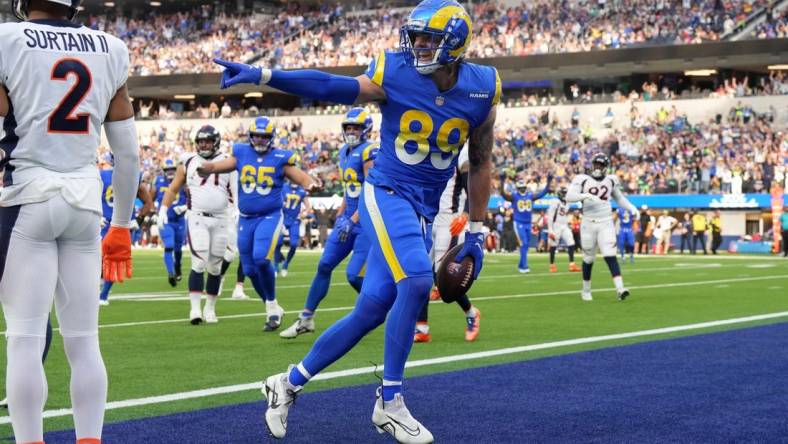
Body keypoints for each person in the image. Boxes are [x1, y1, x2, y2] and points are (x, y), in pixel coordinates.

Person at [214, 0, 497, 440]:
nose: (418, 45)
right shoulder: (395, 71)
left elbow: (480, 162)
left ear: (456, 43)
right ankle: (391, 401)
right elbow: (331, 85)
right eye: (416, 36)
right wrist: (266, 76)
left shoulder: (483, 87)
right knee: (419, 281)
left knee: (371, 309)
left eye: (429, 38)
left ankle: (286, 384)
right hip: (386, 190)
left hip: (423, 205)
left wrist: (476, 230)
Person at [0, 0, 139, 441]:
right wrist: (120, 225)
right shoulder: (111, 48)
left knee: (23, 339)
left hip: (26, 197)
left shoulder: (6, 39)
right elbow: (129, 155)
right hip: (85, 204)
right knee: (84, 342)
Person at [196, 116, 319, 332]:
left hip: (269, 215)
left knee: (262, 258)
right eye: (257, 136)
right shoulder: (242, 152)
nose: (260, 140)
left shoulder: (280, 157)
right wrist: (210, 167)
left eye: (264, 136)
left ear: (271, 137)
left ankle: (271, 306)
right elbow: (227, 164)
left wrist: (310, 184)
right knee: (250, 270)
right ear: (250, 136)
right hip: (245, 217)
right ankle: (271, 307)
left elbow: (299, 177)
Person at [280, 107, 377, 339]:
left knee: (355, 275)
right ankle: (306, 318)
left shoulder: (370, 151)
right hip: (348, 220)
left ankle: (387, 310)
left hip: (367, 222)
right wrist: (342, 215)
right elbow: (349, 189)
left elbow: (371, 188)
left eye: (356, 127)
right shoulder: (344, 151)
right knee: (324, 265)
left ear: (366, 130)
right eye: (349, 127)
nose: (352, 131)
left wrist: (354, 219)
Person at [159, 125, 236, 325]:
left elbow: (235, 192)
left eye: (207, 141)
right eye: (200, 141)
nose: (203, 145)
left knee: (215, 266)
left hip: (221, 218)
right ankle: (195, 309)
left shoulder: (227, 161)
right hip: (197, 217)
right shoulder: (188, 160)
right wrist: (163, 209)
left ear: (215, 142)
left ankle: (210, 308)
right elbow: (173, 187)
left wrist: (237, 213)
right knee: (199, 261)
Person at [414, 145, 481, 343]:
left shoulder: (462, 151)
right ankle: (421, 327)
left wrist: (467, 213)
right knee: (421, 272)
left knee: (442, 276)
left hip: (451, 221)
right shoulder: (429, 146)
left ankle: (471, 313)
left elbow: (473, 186)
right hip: (430, 219)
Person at [566, 153, 638, 302]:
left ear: (605, 167)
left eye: (601, 165)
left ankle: (620, 289)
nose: (598, 168)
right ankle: (586, 290)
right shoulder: (582, 179)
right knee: (588, 258)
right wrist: (584, 196)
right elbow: (569, 196)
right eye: (596, 164)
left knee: (610, 253)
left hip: (606, 221)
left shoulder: (611, 180)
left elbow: (619, 198)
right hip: (588, 221)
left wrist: (631, 208)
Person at [98, 158, 151, 305]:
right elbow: (91, 195)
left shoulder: (134, 175)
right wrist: (97, 215)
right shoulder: (102, 175)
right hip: (105, 222)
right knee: (97, 257)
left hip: (122, 224)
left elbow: (148, 201)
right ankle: (99, 284)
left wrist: (138, 220)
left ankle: (103, 295)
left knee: (116, 258)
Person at [500, 175, 552, 273]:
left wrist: (549, 182)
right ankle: (524, 266)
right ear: (518, 188)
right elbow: (503, 194)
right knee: (523, 243)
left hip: (528, 223)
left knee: (526, 245)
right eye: (521, 188)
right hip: (518, 223)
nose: (523, 189)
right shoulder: (514, 196)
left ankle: (521, 265)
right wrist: (502, 181)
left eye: (524, 187)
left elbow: (543, 193)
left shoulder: (530, 196)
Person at [153, 158, 187, 286]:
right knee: (169, 245)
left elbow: (192, 198)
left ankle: (177, 265)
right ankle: (171, 272)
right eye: (168, 170)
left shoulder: (183, 182)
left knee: (178, 249)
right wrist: (153, 209)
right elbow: (151, 198)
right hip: (166, 220)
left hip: (179, 221)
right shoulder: (158, 182)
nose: (171, 172)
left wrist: (185, 207)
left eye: (173, 169)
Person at [274, 181, 310, 277]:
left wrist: (304, 213)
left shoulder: (302, 190)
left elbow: (308, 206)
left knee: (294, 244)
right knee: (277, 243)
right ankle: (276, 265)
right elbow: (277, 200)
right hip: (283, 219)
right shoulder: (284, 187)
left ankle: (285, 264)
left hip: (295, 220)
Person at [546, 186, 580, 273]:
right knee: (553, 245)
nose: (565, 195)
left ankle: (572, 264)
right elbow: (550, 216)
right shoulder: (555, 202)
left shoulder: (567, 203)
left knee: (571, 242)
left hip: (564, 225)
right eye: (564, 193)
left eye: (566, 193)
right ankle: (552, 265)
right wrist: (550, 229)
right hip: (555, 225)